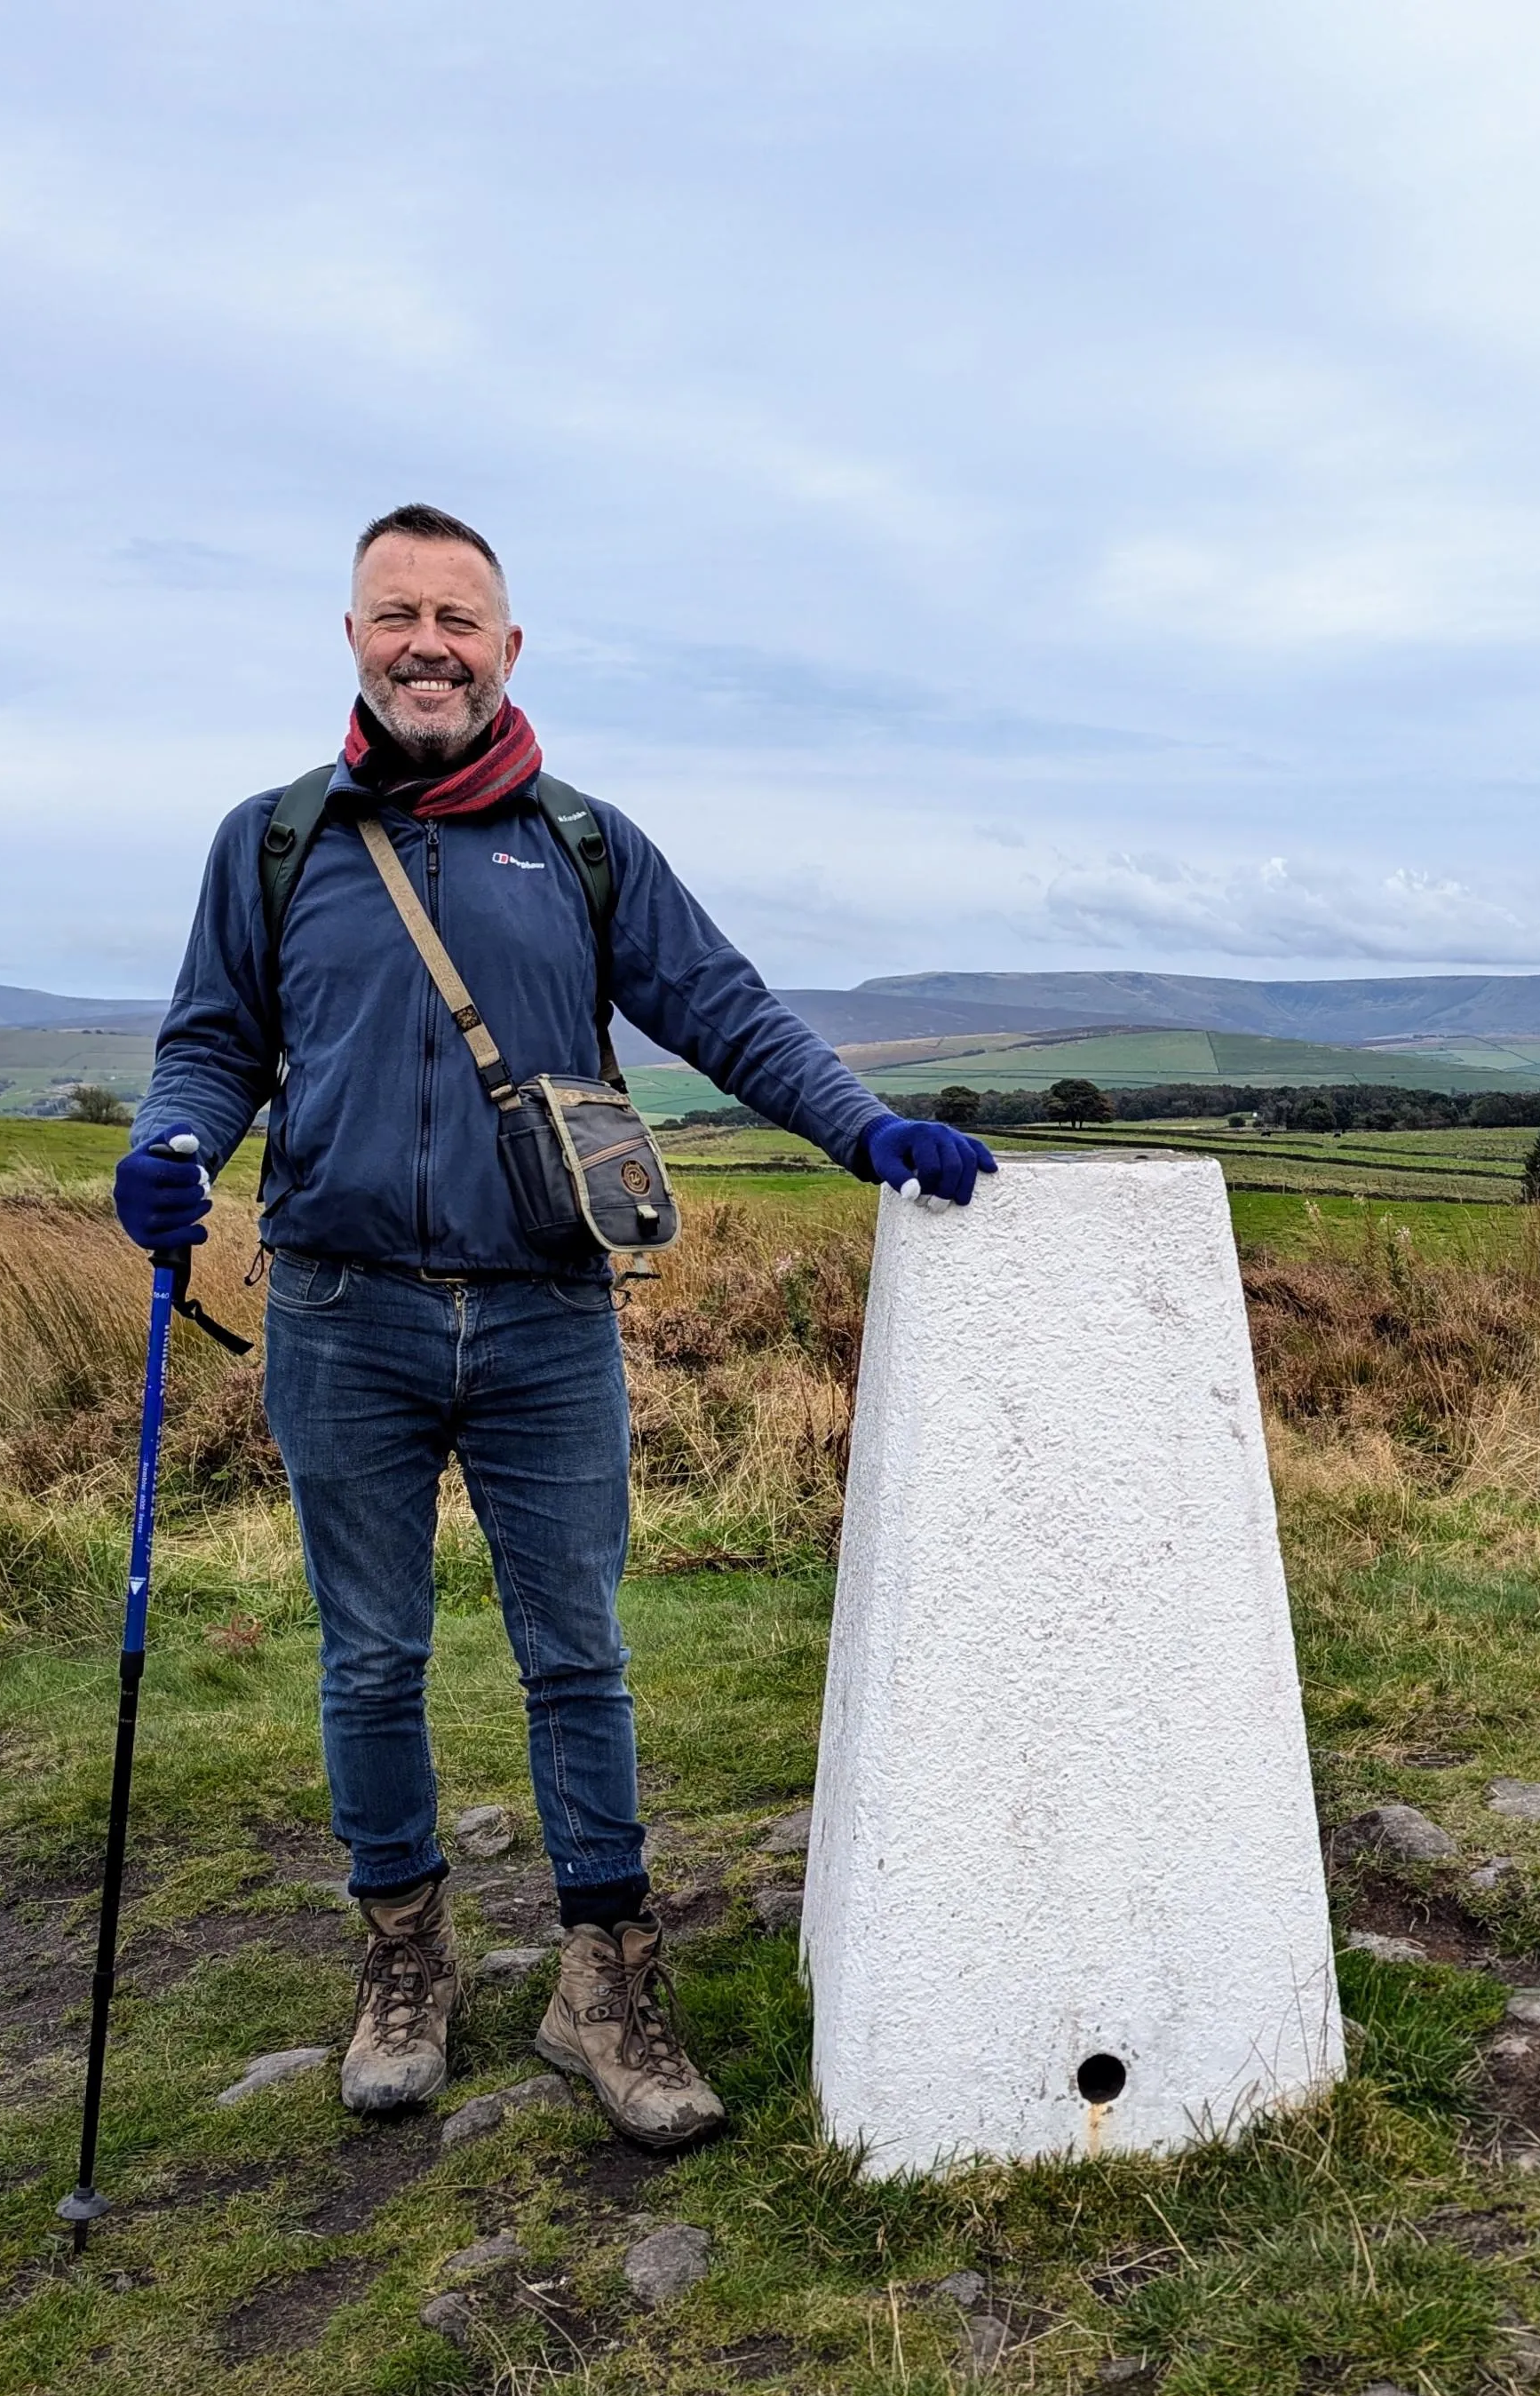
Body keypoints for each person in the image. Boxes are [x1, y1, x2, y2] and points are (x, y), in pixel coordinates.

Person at [119, 503, 993, 2148]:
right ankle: (406, 1953)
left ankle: (605, 1977)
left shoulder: (583, 844)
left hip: (544, 1314)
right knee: (370, 1655)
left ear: (508, 649)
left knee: (577, 1653)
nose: (427, 645)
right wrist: (171, 1144)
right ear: (354, 638)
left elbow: (724, 1010)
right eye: (397, 615)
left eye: (458, 618)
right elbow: (214, 1042)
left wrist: (863, 1129)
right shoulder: (274, 841)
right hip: (339, 1311)